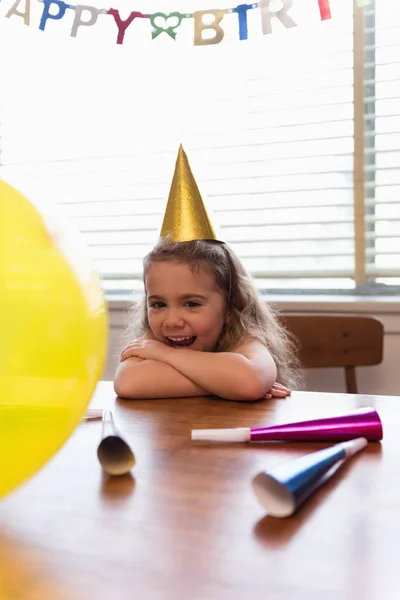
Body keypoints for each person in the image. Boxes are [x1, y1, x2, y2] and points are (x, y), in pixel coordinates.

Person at [114, 146, 301, 401]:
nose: (172, 321)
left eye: (191, 303)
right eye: (158, 304)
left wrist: (166, 356)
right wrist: (226, 383)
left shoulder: (244, 339)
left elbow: (247, 382)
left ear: (229, 307)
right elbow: (128, 383)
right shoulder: (154, 339)